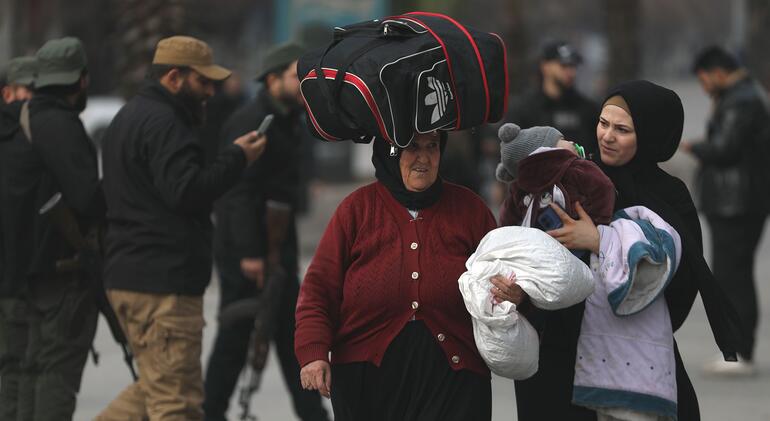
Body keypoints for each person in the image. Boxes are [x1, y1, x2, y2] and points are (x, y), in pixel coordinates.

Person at [501, 80, 742, 421]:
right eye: (603, 123)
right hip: (557, 349)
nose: (607, 136)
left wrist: (600, 241)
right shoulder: (571, 175)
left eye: (622, 130)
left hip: (630, 347)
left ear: (651, 135)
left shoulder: (670, 196)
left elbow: (681, 280)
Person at [96, 36, 266, 420]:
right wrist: (238, 158)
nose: (210, 92)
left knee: (155, 388)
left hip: (132, 276)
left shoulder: (129, 117)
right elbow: (187, 192)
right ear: (174, 77)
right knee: (177, 402)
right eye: (202, 81)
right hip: (162, 283)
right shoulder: (166, 124)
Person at [295, 132, 505, 420]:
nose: (424, 158)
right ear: (390, 152)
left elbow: (503, 275)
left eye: (432, 147)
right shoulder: (357, 209)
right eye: (412, 147)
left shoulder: (470, 210)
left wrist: (511, 293)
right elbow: (319, 289)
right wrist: (314, 352)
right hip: (367, 382)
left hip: (455, 379)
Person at [204, 43, 329, 421]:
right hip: (249, 254)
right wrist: (249, 253)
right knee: (235, 340)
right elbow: (237, 192)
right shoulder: (253, 119)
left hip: (277, 249)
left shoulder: (288, 119)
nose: (303, 83)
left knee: (293, 336)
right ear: (272, 79)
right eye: (295, 75)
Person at [0, 38, 105, 421]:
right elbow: (87, 198)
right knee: (50, 374)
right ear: (81, 79)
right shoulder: (57, 125)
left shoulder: (22, 124)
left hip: (21, 275)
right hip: (52, 274)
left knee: (23, 371)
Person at [680, 46, 770, 376]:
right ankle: (739, 349)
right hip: (741, 201)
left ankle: (739, 351)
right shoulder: (745, 95)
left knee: (733, 277)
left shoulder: (740, 100)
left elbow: (726, 148)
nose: (704, 87)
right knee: (735, 274)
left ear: (717, 72)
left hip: (736, 203)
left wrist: (696, 147)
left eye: (704, 79)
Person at [0, 54, 37, 420]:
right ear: (8, 93)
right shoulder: (24, 142)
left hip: (15, 277)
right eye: (28, 91)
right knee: (17, 368)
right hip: (15, 280)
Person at [506, 40, 599, 155]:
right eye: (564, 65)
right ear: (545, 66)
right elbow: (511, 151)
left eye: (573, 66)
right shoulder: (524, 109)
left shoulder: (588, 109)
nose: (571, 72)